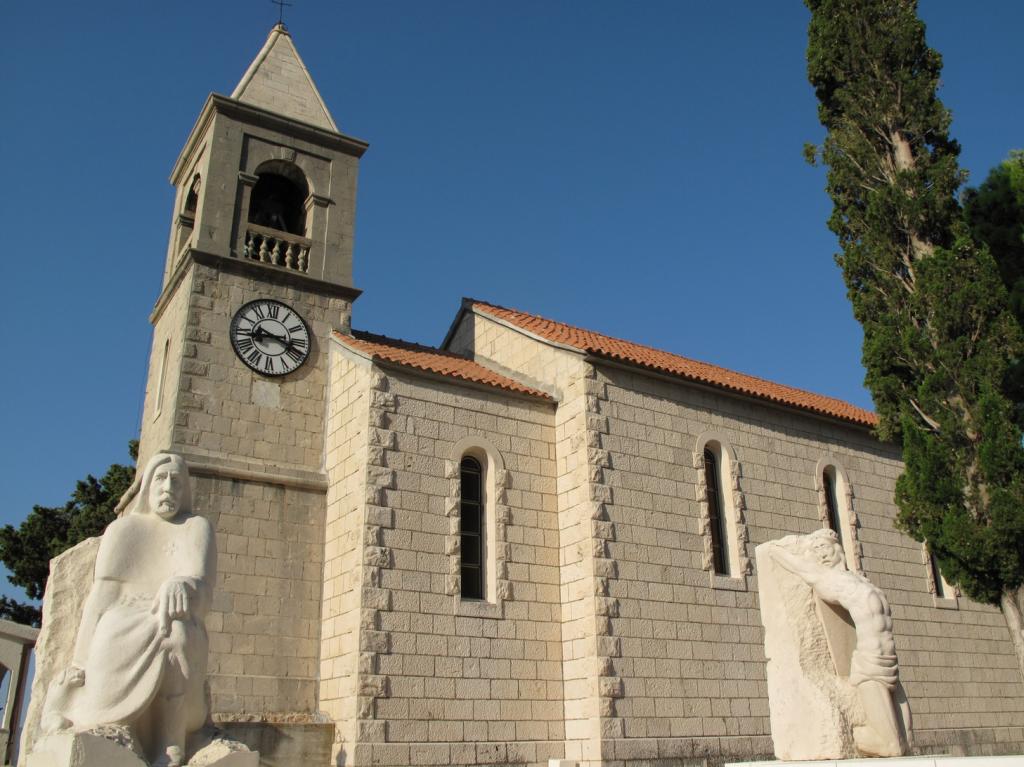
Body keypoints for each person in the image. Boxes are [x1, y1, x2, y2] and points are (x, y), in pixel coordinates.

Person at [41, 453, 216, 767]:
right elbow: (103, 596)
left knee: (175, 631)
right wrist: (81, 661)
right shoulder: (125, 530)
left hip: (177, 618)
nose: (168, 487)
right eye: (161, 479)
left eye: (176, 481)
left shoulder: (196, 528)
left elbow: (203, 590)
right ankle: (110, 720)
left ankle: (170, 740)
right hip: (123, 618)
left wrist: (184, 584)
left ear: (186, 489)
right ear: (147, 486)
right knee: (124, 628)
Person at [766, 529, 907, 757]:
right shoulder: (827, 578)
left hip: (890, 662)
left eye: (822, 547)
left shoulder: (859, 579)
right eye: (815, 551)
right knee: (891, 746)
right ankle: (850, 736)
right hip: (870, 663)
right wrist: (776, 549)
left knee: (906, 742)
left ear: (836, 546)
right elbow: (791, 563)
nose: (821, 554)